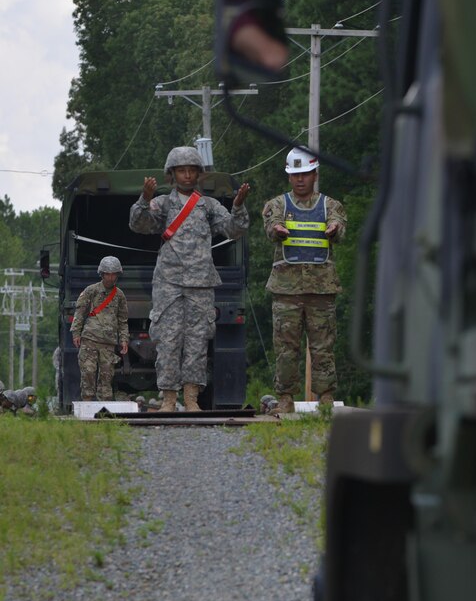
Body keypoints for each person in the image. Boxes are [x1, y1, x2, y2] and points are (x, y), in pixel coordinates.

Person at [129, 146, 250, 412]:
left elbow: (233, 230)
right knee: (168, 340)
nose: (186, 175)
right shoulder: (162, 204)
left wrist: (238, 206)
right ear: (171, 175)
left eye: (191, 171)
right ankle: (169, 399)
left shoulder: (208, 206)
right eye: (181, 171)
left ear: (198, 175)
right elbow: (139, 225)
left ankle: (192, 398)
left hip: (201, 283)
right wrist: (143, 199)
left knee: (197, 341)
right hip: (169, 284)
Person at [262, 146, 347, 413]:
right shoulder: (276, 205)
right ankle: (285, 398)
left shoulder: (330, 205)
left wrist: (334, 229)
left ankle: (325, 398)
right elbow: (271, 225)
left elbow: (339, 225)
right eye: (295, 174)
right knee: (286, 348)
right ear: (289, 177)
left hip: (321, 289)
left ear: (314, 175)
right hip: (286, 290)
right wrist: (277, 229)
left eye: (306, 174)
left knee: (323, 347)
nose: (300, 179)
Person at [70, 256, 129, 401]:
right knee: (88, 372)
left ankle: (105, 409)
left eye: (113, 274)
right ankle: (87, 404)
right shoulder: (91, 291)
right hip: (90, 339)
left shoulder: (119, 296)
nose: (110, 277)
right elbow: (79, 313)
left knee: (106, 377)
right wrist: (76, 333)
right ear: (102, 274)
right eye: (108, 274)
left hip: (108, 342)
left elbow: (123, 320)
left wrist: (124, 339)